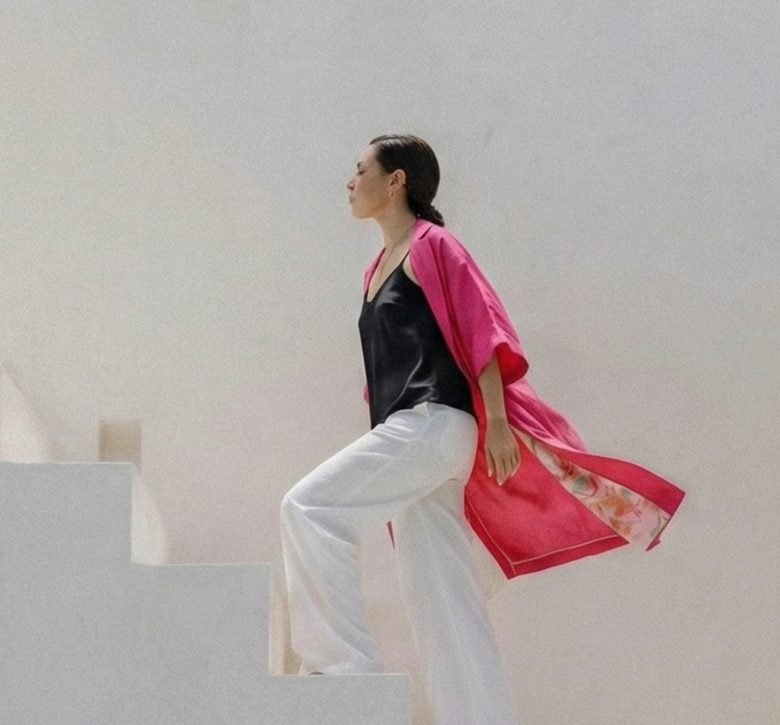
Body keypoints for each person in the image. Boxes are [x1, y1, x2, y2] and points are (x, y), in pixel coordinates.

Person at [281, 134, 683, 725]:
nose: (350, 180)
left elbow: (483, 330)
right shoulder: (375, 268)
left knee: (308, 508)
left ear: (396, 181)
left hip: (433, 423)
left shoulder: (433, 245)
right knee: (441, 593)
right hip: (417, 432)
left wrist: (495, 421)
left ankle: (341, 669)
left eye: (361, 169)